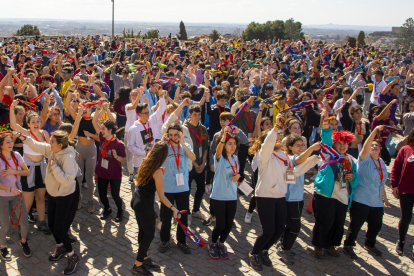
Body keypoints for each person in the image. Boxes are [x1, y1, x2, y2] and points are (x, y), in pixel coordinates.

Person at [248, 114, 315, 271]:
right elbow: (266, 146)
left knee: (278, 231)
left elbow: (292, 174)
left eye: (278, 137)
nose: (278, 139)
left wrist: (313, 160)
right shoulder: (263, 156)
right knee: (268, 231)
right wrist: (275, 128)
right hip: (265, 197)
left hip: (280, 197)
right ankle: (254, 253)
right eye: (275, 138)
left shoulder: (283, 155)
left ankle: (265, 251)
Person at [18, 130, 81, 275]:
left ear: (60, 144)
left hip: (65, 196)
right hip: (53, 194)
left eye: (51, 141)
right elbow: (36, 145)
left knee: (60, 228)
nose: (49, 143)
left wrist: (54, 167)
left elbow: (67, 180)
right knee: (52, 225)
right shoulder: (52, 149)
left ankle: (72, 255)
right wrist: (22, 137)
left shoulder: (68, 157)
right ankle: (60, 246)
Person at [312, 110, 360, 259]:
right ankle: (319, 245)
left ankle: (332, 245)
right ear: (335, 143)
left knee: (338, 223)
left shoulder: (351, 160)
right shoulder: (329, 153)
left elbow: (356, 180)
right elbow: (325, 137)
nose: (343, 146)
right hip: (326, 193)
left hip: (343, 195)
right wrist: (325, 122)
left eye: (345, 144)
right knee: (325, 220)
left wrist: (353, 177)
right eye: (340, 143)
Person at [130, 141, 182, 276]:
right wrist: (174, 209)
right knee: (149, 234)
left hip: (136, 199)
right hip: (145, 205)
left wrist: (159, 173)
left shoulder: (146, 161)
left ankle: (144, 257)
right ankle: (138, 264)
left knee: (143, 231)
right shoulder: (157, 171)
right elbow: (162, 196)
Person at [343, 125, 389, 259]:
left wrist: (385, 198)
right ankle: (348, 245)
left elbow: (382, 182)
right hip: (361, 199)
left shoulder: (381, 162)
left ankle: (370, 243)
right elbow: (366, 145)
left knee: (376, 225)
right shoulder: (364, 159)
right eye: (372, 145)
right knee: (356, 225)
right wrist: (374, 131)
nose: (374, 147)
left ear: (380, 150)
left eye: (377, 146)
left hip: (376, 200)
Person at [277, 135, 321, 264]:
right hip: (292, 199)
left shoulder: (292, 158)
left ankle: (282, 243)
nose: (301, 147)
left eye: (302, 145)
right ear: (290, 147)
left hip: (296, 198)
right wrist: (312, 148)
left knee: (289, 224)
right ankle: (285, 249)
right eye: (298, 145)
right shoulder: (292, 158)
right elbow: (301, 159)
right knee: (295, 226)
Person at [9, 100, 51, 234]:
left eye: (37, 121)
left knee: (40, 197)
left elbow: (50, 151)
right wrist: (11, 107)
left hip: (42, 167)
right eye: (33, 122)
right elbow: (13, 125)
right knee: (28, 201)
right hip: (28, 169)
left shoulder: (45, 134)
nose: (36, 124)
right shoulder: (26, 133)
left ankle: (42, 222)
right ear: (28, 124)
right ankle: (22, 224)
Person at [158, 124, 195, 254]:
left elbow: (193, 158)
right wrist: (162, 144)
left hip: (182, 187)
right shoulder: (164, 147)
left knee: (183, 216)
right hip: (167, 187)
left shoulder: (185, 147)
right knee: (166, 215)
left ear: (180, 134)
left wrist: (183, 143)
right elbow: (153, 157)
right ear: (167, 135)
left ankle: (181, 241)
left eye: (176, 135)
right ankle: (165, 240)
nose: (173, 137)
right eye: (171, 135)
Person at [208, 127, 240, 260]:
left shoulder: (236, 158)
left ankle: (221, 244)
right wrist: (224, 136)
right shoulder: (219, 158)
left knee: (228, 224)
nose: (233, 146)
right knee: (220, 224)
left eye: (234, 144)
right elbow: (218, 151)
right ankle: (213, 243)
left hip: (232, 196)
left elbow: (237, 172)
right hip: (219, 196)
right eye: (229, 144)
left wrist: (238, 176)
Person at [92, 107, 127, 222]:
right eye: (101, 128)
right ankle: (107, 209)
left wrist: (117, 157)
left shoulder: (119, 144)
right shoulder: (102, 137)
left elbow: (124, 159)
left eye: (103, 129)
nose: (101, 130)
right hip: (102, 172)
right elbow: (94, 121)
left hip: (114, 174)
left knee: (115, 195)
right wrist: (98, 107)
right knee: (101, 194)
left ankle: (120, 211)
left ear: (110, 130)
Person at [0, 133, 31, 261]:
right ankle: (2, 246)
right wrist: (10, 189)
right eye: (7, 142)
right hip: (3, 195)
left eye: (11, 141)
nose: (11, 144)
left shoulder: (16, 155)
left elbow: (27, 172)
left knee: (24, 221)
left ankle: (24, 241)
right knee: (5, 224)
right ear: (1, 145)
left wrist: (14, 171)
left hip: (17, 194)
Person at [183, 105, 209, 221]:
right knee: (187, 190)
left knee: (201, 188)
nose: (197, 117)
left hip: (200, 165)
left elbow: (205, 147)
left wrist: (203, 163)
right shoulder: (184, 129)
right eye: (195, 115)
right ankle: (186, 212)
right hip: (189, 165)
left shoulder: (203, 128)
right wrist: (195, 164)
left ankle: (196, 210)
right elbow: (184, 149)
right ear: (190, 115)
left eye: (199, 115)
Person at [390, 128, 414, 256]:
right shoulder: (406, 150)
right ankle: (401, 241)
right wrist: (394, 185)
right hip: (406, 190)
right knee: (406, 217)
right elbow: (396, 168)